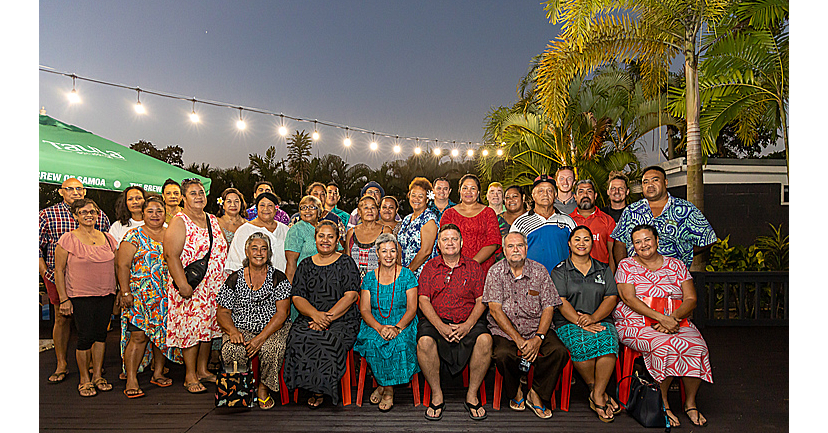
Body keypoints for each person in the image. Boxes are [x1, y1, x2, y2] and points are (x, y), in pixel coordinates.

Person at [613, 224, 713, 427]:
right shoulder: (626, 266)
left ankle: (690, 403)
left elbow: (691, 298)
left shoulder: (676, 265)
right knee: (665, 347)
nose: (643, 245)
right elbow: (629, 298)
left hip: (677, 320)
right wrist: (661, 318)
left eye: (647, 239)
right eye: (638, 242)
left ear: (657, 240)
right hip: (637, 323)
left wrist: (672, 318)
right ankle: (664, 403)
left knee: (697, 346)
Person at [484, 232, 568, 420]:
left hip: (536, 327)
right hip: (505, 331)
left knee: (558, 351)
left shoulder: (540, 271)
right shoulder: (495, 272)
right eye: (511, 246)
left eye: (519, 246)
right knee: (503, 355)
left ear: (526, 248)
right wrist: (520, 341)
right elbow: (495, 310)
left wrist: (538, 338)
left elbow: (549, 307)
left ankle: (536, 393)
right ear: (504, 250)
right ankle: (515, 391)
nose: (515, 250)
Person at [39, 177, 111, 385]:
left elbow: (106, 244)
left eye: (79, 188)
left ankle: (92, 367)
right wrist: (45, 271)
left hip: (93, 280)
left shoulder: (99, 215)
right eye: (70, 189)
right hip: (57, 275)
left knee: (92, 325)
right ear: (61, 192)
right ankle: (62, 363)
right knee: (62, 319)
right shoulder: (47, 214)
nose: (75, 192)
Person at [417, 224, 491, 421]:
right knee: (424, 342)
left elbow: (481, 299)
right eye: (445, 239)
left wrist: (468, 325)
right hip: (436, 321)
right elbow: (423, 299)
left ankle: (472, 395)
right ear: (438, 245)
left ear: (461, 242)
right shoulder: (430, 267)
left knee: (485, 339)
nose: (450, 243)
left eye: (454, 239)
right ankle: (437, 394)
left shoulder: (473, 267)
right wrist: (440, 326)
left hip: (468, 320)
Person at [283, 220, 361, 408]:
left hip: (342, 318)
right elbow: (298, 297)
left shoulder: (346, 262)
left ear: (337, 240)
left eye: (330, 236)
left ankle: (322, 390)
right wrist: (316, 315)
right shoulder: (305, 264)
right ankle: (306, 387)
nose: (325, 240)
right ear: (315, 238)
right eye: (321, 236)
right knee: (298, 337)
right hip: (310, 317)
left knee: (327, 340)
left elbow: (351, 296)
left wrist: (326, 318)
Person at [164, 178, 229, 394]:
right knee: (191, 330)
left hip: (213, 288)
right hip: (191, 286)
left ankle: (202, 370)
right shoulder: (179, 221)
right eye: (193, 193)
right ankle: (190, 374)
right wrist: (182, 284)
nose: (199, 196)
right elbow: (171, 255)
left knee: (208, 329)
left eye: (201, 192)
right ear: (183, 198)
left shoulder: (212, 219)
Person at [550, 226, 620, 422]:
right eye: (577, 239)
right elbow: (560, 301)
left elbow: (611, 297)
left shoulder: (603, 268)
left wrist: (593, 318)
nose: (582, 243)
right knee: (581, 343)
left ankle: (597, 393)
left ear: (592, 243)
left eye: (586, 239)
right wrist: (581, 322)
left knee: (607, 342)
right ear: (570, 244)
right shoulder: (560, 270)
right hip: (568, 322)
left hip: (600, 319)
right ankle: (596, 390)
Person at [216, 232, 293, 410]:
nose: (259, 253)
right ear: (247, 252)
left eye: (263, 249)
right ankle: (237, 392)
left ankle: (263, 389)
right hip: (242, 327)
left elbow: (282, 313)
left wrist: (260, 338)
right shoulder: (234, 279)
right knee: (232, 348)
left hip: (274, 327)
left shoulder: (278, 278)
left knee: (271, 348)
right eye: (254, 248)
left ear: (269, 253)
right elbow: (222, 312)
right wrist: (233, 331)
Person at [117, 195, 182, 398]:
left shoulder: (171, 234)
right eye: (150, 211)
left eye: (159, 211)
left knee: (161, 334)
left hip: (166, 295)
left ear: (166, 214)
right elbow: (122, 265)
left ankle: (158, 372)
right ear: (143, 213)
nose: (155, 215)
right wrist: (125, 291)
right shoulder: (133, 235)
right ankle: (132, 378)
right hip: (139, 295)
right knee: (139, 336)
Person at [53, 198, 118, 397]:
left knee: (101, 335)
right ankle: (84, 379)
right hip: (80, 296)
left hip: (106, 293)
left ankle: (98, 375)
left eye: (92, 212)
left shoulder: (107, 238)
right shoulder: (67, 239)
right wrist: (63, 299)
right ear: (75, 216)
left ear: (98, 215)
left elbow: (116, 267)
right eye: (84, 212)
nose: (89, 215)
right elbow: (59, 270)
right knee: (85, 337)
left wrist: (118, 293)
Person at [353, 233, 420, 412]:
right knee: (375, 341)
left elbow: (412, 308)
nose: (389, 255)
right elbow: (365, 310)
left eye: (392, 251)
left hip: (403, 321)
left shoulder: (407, 275)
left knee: (399, 342)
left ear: (397, 253)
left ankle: (386, 389)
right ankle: (386, 386)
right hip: (374, 322)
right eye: (384, 251)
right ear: (378, 253)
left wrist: (397, 328)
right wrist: (380, 327)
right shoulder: (368, 278)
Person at [611, 165, 717, 270]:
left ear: (665, 183)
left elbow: (709, 238)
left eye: (655, 180)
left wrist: (684, 253)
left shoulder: (685, 209)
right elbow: (619, 243)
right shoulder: (631, 211)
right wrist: (624, 269)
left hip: (673, 278)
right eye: (645, 182)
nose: (650, 185)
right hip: (637, 279)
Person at [510, 174, 577, 275]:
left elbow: (578, 251)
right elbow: (513, 255)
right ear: (533, 195)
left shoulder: (568, 222)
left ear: (555, 195)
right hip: (532, 281)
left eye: (549, 191)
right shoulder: (520, 223)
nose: (545, 194)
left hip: (562, 280)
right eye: (540, 191)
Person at [439, 174, 502, 275]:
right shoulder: (449, 214)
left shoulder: (488, 213)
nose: (468, 192)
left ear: (478, 192)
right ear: (459, 191)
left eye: (473, 188)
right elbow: (444, 242)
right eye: (465, 188)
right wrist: (458, 266)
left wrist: (471, 264)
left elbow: (493, 241)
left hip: (483, 269)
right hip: (454, 269)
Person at [226, 192, 289, 274]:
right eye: (262, 205)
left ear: (276, 208)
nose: (266, 209)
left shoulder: (285, 230)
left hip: (281, 282)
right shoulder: (244, 230)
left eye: (270, 205)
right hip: (253, 282)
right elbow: (235, 262)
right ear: (257, 208)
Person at [569, 179, 617, 272]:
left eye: (589, 191)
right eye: (581, 192)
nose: (585, 195)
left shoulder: (608, 220)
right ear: (575, 197)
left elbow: (612, 254)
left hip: (601, 273)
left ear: (595, 196)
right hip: (573, 275)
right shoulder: (568, 221)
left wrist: (610, 278)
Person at [397, 177, 439, 279]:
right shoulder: (407, 219)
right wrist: (399, 270)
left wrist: (408, 271)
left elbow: (426, 251)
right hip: (404, 272)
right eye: (413, 195)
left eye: (421, 196)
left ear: (427, 199)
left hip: (422, 274)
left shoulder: (429, 219)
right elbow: (399, 245)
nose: (416, 199)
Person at [345, 195, 391, 279]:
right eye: (366, 207)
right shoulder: (351, 233)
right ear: (359, 211)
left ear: (377, 211)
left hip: (379, 284)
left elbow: (392, 260)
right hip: (355, 284)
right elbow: (347, 262)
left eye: (373, 208)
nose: (370, 211)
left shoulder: (385, 231)